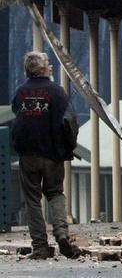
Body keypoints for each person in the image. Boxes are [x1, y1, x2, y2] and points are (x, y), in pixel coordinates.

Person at [11, 51, 81, 260]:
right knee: (55, 193)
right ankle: (61, 234)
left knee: (32, 200)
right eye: (49, 64)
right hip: (52, 155)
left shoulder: (20, 92)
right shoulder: (57, 92)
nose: (51, 67)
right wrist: (69, 147)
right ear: (41, 69)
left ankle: (40, 246)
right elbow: (70, 122)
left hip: (28, 156)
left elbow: (17, 116)